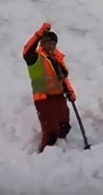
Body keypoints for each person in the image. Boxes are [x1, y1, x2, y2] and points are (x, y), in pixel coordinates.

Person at [22, 22, 77, 153]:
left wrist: (70, 91)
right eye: (48, 43)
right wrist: (39, 33)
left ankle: (62, 154)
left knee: (64, 127)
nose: (51, 46)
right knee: (51, 132)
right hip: (44, 100)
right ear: (42, 43)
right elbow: (26, 51)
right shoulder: (35, 58)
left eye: (54, 43)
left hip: (59, 98)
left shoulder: (57, 59)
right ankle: (44, 157)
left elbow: (63, 78)